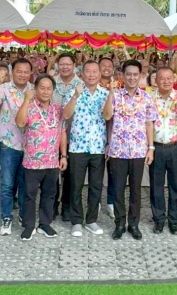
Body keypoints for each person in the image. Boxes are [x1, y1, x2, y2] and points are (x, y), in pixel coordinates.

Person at [103, 60, 157, 241]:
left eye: (135, 74)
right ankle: (119, 223)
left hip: (138, 151)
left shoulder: (147, 97)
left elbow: (149, 123)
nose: (132, 77)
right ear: (123, 76)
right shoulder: (115, 95)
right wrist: (111, 93)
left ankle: (133, 224)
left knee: (136, 190)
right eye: (129, 74)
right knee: (117, 189)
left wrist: (150, 148)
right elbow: (107, 116)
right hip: (118, 150)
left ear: (141, 76)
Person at [16, 74, 67, 241]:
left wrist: (63, 156)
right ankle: (29, 226)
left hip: (52, 161)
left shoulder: (58, 110)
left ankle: (45, 223)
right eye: (42, 88)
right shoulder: (29, 107)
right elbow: (20, 123)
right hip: (32, 161)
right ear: (35, 89)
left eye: (49, 88)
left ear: (53, 90)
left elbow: (62, 133)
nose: (45, 91)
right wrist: (25, 100)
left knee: (49, 194)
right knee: (29, 195)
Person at [63, 60, 109, 237]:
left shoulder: (105, 94)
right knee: (76, 185)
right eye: (87, 71)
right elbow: (66, 115)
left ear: (99, 74)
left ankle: (91, 220)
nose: (91, 74)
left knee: (96, 186)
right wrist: (75, 96)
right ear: (82, 74)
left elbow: (109, 118)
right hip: (77, 147)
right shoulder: (74, 92)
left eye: (94, 71)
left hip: (97, 147)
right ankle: (76, 221)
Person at [0, 57, 32, 236]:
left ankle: (23, 214)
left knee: (25, 184)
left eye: (26, 71)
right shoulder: (4, 88)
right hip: (8, 142)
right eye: (18, 71)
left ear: (31, 73)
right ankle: (6, 217)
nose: (22, 74)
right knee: (7, 184)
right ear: (12, 72)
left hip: (29, 144)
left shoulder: (34, 90)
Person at [150, 67, 177, 235]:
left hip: (175, 146)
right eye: (162, 78)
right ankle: (159, 219)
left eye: (169, 78)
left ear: (174, 79)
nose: (166, 81)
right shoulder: (150, 98)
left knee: (175, 185)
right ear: (156, 81)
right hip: (156, 147)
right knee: (156, 185)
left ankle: (174, 220)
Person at [51, 53, 83, 222]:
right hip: (51, 135)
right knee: (52, 174)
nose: (65, 67)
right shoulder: (50, 83)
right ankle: (52, 206)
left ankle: (67, 207)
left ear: (74, 65)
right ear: (57, 65)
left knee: (71, 175)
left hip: (74, 136)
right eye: (62, 64)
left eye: (68, 64)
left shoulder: (81, 85)